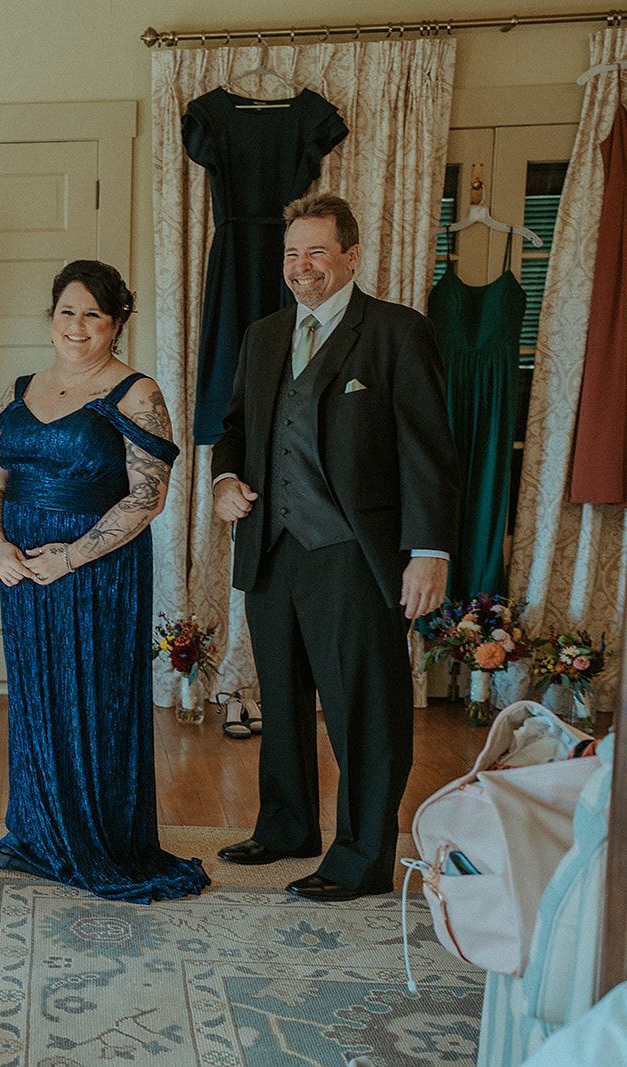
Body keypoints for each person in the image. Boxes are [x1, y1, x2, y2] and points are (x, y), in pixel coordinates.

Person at [212, 192, 457, 902]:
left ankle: (360, 857)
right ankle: (287, 825)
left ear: (351, 254)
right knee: (282, 697)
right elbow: (233, 427)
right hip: (272, 547)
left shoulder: (396, 334)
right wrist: (226, 478)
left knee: (363, 707)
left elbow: (428, 453)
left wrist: (429, 551)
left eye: (316, 251)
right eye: (292, 254)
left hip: (355, 552)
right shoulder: (263, 338)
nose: (302, 267)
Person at [0, 259, 209, 902]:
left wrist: (70, 558)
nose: (77, 326)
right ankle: (42, 832)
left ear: (116, 324)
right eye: (67, 312)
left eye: (93, 315)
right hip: (20, 571)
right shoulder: (18, 389)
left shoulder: (137, 392)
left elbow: (147, 499)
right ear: (50, 319)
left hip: (97, 574)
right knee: (36, 697)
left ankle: (100, 839)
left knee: (94, 697)